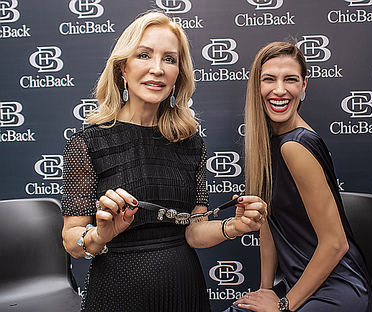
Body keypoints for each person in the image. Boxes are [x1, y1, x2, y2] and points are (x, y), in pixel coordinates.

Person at [61, 10, 266, 312]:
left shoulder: (191, 143)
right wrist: (100, 235)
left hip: (183, 288)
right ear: (122, 68)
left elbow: (194, 231)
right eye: (144, 55)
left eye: (169, 59)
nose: (157, 69)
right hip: (118, 290)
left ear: (178, 74)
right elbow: (70, 240)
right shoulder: (87, 143)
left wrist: (234, 226)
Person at [230, 42, 372, 311]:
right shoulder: (268, 142)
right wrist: (265, 291)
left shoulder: (295, 145)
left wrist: (283, 306)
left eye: (291, 80)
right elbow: (269, 226)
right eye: (269, 79)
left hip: (337, 289)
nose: (280, 90)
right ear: (256, 87)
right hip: (299, 285)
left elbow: (335, 244)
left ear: (304, 86)